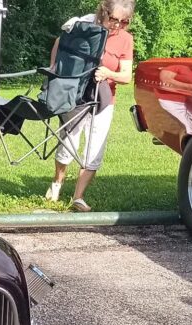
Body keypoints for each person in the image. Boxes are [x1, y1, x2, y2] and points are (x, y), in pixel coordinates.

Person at [45, 0, 135, 212]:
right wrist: (54, 68)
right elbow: (60, 43)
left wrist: (108, 73)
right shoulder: (85, 26)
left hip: (104, 100)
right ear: (104, 12)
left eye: (124, 22)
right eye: (114, 19)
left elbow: (126, 76)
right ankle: (57, 184)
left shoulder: (125, 39)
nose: (117, 26)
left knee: (94, 148)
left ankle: (78, 197)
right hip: (76, 95)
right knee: (69, 140)